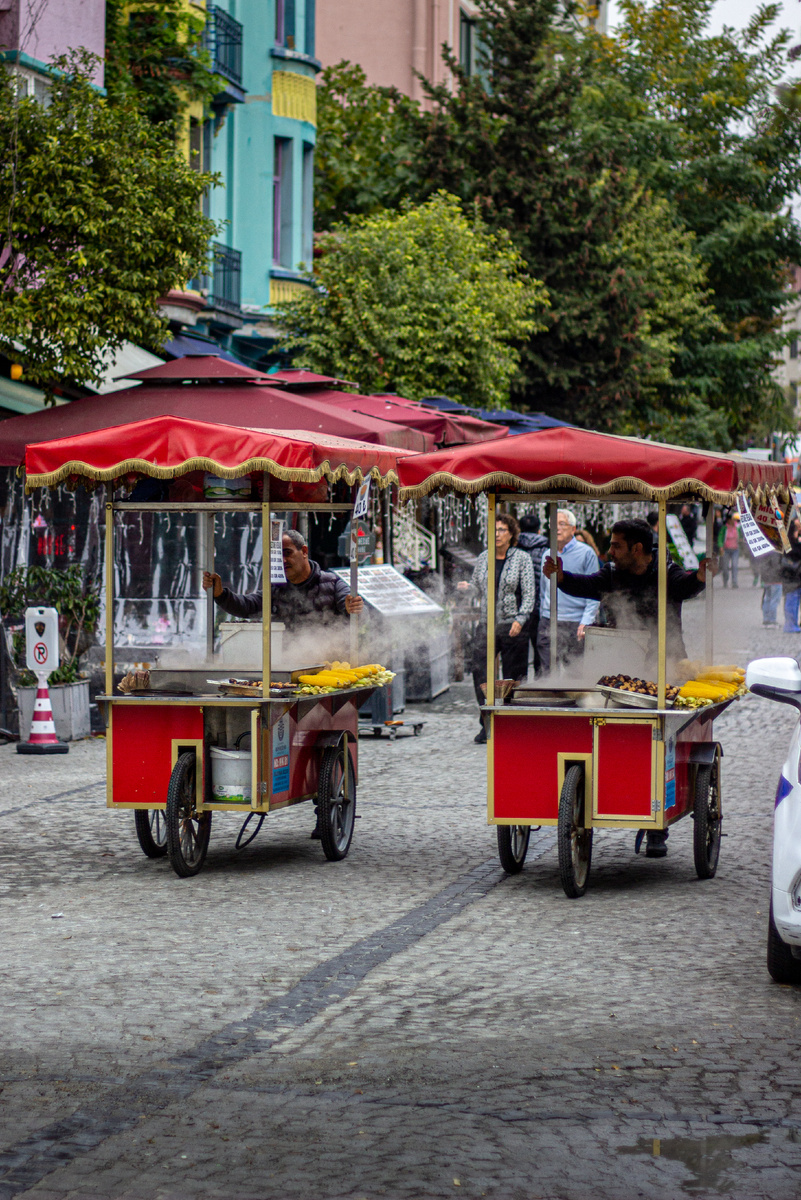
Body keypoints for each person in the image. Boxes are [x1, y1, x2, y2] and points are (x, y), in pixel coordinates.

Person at [457, 513, 535, 744]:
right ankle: (486, 723)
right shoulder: (484, 558)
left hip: (512, 624)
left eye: (502, 530)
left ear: (511, 534)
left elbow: (529, 593)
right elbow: (478, 589)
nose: (497, 534)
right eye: (494, 530)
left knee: (514, 676)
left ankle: (512, 723)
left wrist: (520, 619)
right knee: (481, 673)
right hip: (486, 623)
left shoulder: (522, 558)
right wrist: (467, 588)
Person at [203, 529, 364, 628]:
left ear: (304, 551)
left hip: (330, 667)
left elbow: (352, 606)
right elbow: (248, 606)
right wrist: (220, 594)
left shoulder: (334, 583)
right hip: (288, 666)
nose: (283, 561)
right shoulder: (276, 589)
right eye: (277, 556)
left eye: (287, 553)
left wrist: (353, 607)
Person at [537, 510, 599, 674]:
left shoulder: (586, 553)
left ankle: (573, 700)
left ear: (573, 528)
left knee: (574, 673)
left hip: (575, 621)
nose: (556, 529)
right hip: (548, 620)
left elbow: (595, 591)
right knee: (548, 671)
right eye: (553, 525)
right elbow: (544, 591)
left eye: (562, 524)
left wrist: (586, 621)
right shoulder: (547, 554)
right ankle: (550, 699)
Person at [516, 512, 549, 675]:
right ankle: (540, 686)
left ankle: (518, 686)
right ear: (538, 529)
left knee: (519, 650)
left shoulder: (514, 548)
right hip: (540, 607)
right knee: (540, 649)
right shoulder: (546, 549)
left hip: (517, 608)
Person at [717, 513, 741, 588]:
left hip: (735, 549)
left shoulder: (737, 527)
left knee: (734, 565)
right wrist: (720, 546)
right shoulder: (725, 528)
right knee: (725, 567)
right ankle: (725, 580)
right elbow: (720, 538)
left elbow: (740, 536)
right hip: (726, 549)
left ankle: (734, 582)